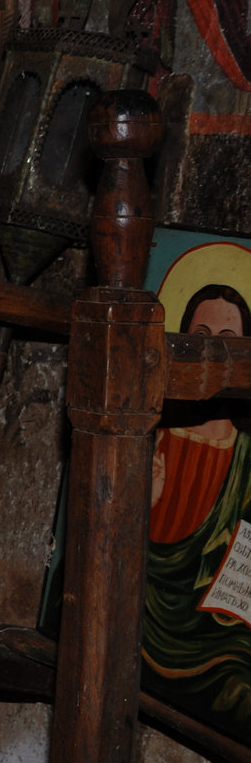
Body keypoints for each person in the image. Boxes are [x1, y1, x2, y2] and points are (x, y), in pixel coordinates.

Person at [143, 283, 251, 737]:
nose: (212, 351)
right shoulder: (150, 433)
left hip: (217, 634)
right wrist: (145, 501)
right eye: (200, 336)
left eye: (228, 341)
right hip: (145, 608)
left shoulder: (247, 456)